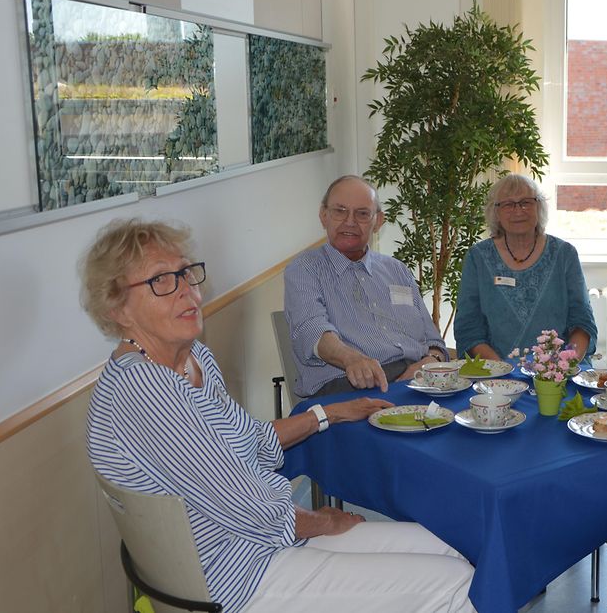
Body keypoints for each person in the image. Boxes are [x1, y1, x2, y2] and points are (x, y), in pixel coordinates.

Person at [81, 218, 475, 613]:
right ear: (118, 308)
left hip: (261, 543)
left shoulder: (192, 358)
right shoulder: (145, 390)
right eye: (160, 281)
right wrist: (325, 521)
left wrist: (331, 414)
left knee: (449, 551)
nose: (186, 291)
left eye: (186, 273)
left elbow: (250, 441)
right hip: (237, 578)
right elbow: (250, 507)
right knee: (456, 586)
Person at [284, 175, 448, 397]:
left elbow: (433, 341)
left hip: (417, 381)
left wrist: (431, 360)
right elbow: (312, 330)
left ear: (378, 221)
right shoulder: (305, 269)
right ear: (324, 216)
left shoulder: (397, 270)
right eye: (340, 211)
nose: (349, 221)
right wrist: (352, 359)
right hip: (349, 386)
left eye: (362, 213)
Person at [454, 174, 597, 361]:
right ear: (495, 212)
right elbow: (469, 328)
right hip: (495, 375)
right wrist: (503, 372)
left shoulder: (564, 254)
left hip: (559, 374)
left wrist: (563, 366)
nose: (518, 210)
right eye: (508, 204)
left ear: (539, 206)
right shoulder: (477, 257)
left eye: (526, 202)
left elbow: (582, 322)